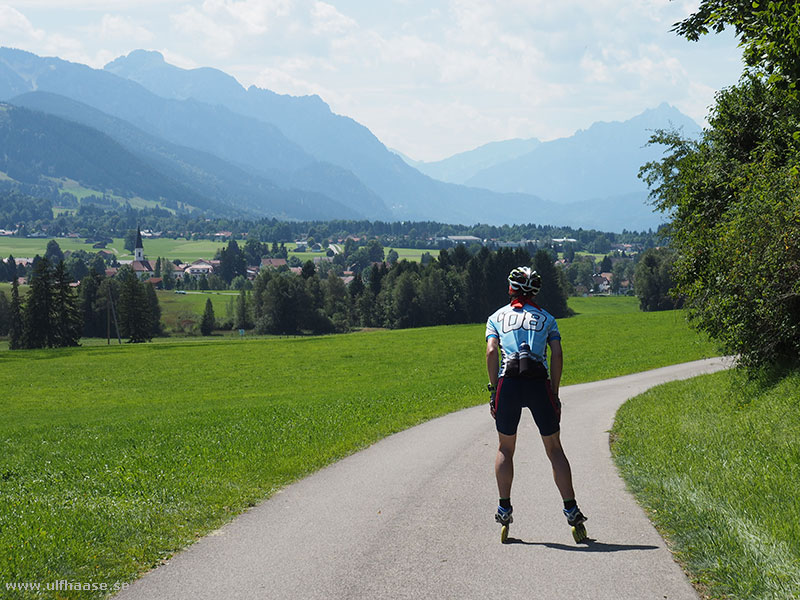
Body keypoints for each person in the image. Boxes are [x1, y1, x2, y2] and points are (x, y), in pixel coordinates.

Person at [485, 266, 587, 538]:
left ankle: (504, 509)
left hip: (508, 381)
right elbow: (557, 354)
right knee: (554, 448)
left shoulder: (495, 317)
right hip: (538, 381)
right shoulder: (548, 319)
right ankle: (571, 509)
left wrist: (495, 391)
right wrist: (554, 392)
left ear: (511, 288)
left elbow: (492, 351)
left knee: (505, 448)